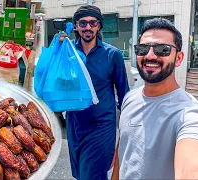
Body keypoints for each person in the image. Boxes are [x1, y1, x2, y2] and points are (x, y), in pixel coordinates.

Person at [111, 18, 198, 179]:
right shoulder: (130, 99)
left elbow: (192, 169)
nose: (150, 55)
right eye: (143, 49)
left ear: (179, 58)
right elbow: (124, 150)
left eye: (163, 49)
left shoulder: (189, 114)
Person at [59, 5, 130, 180]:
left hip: (101, 125)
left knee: (91, 174)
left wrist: (128, 130)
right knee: (81, 174)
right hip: (75, 124)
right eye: (83, 23)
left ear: (99, 26)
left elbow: (124, 95)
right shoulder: (68, 52)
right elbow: (55, 81)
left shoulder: (112, 55)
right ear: (76, 26)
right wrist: (56, 50)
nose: (88, 27)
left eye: (92, 23)